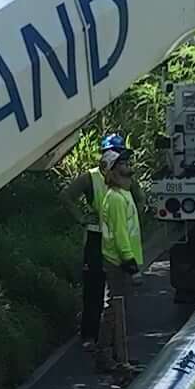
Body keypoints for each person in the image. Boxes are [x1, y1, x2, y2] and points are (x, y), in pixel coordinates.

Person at [82, 135, 146, 375]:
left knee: (119, 311)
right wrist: (131, 265)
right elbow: (120, 236)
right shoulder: (116, 199)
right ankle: (106, 357)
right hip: (118, 263)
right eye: (124, 165)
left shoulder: (123, 194)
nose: (129, 169)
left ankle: (120, 357)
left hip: (119, 261)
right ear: (113, 170)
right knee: (113, 312)